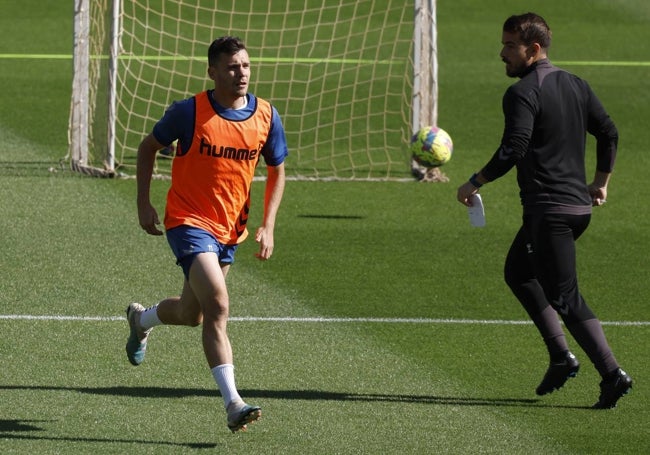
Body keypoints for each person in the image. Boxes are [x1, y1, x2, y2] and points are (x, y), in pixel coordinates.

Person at [456, 13, 632, 409]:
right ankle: (560, 356)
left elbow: (513, 148)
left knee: (565, 297)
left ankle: (612, 373)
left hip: (549, 213)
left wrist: (475, 182)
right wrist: (600, 182)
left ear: (533, 49)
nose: (502, 54)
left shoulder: (522, 93)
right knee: (519, 272)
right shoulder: (575, 84)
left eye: (509, 46)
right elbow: (609, 132)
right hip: (574, 210)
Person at [128, 36, 288, 432]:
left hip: (230, 230)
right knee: (218, 304)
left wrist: (268, 224)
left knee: (192, 314)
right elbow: (147, 148)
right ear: (212, 72)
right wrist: (143, 204)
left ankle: (141, 321)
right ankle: (233, 403)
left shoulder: (266, 116)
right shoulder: (189, 112)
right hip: (187, 221)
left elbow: (277, 170)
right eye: (233, 67)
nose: (242, 73)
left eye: (246, 65)